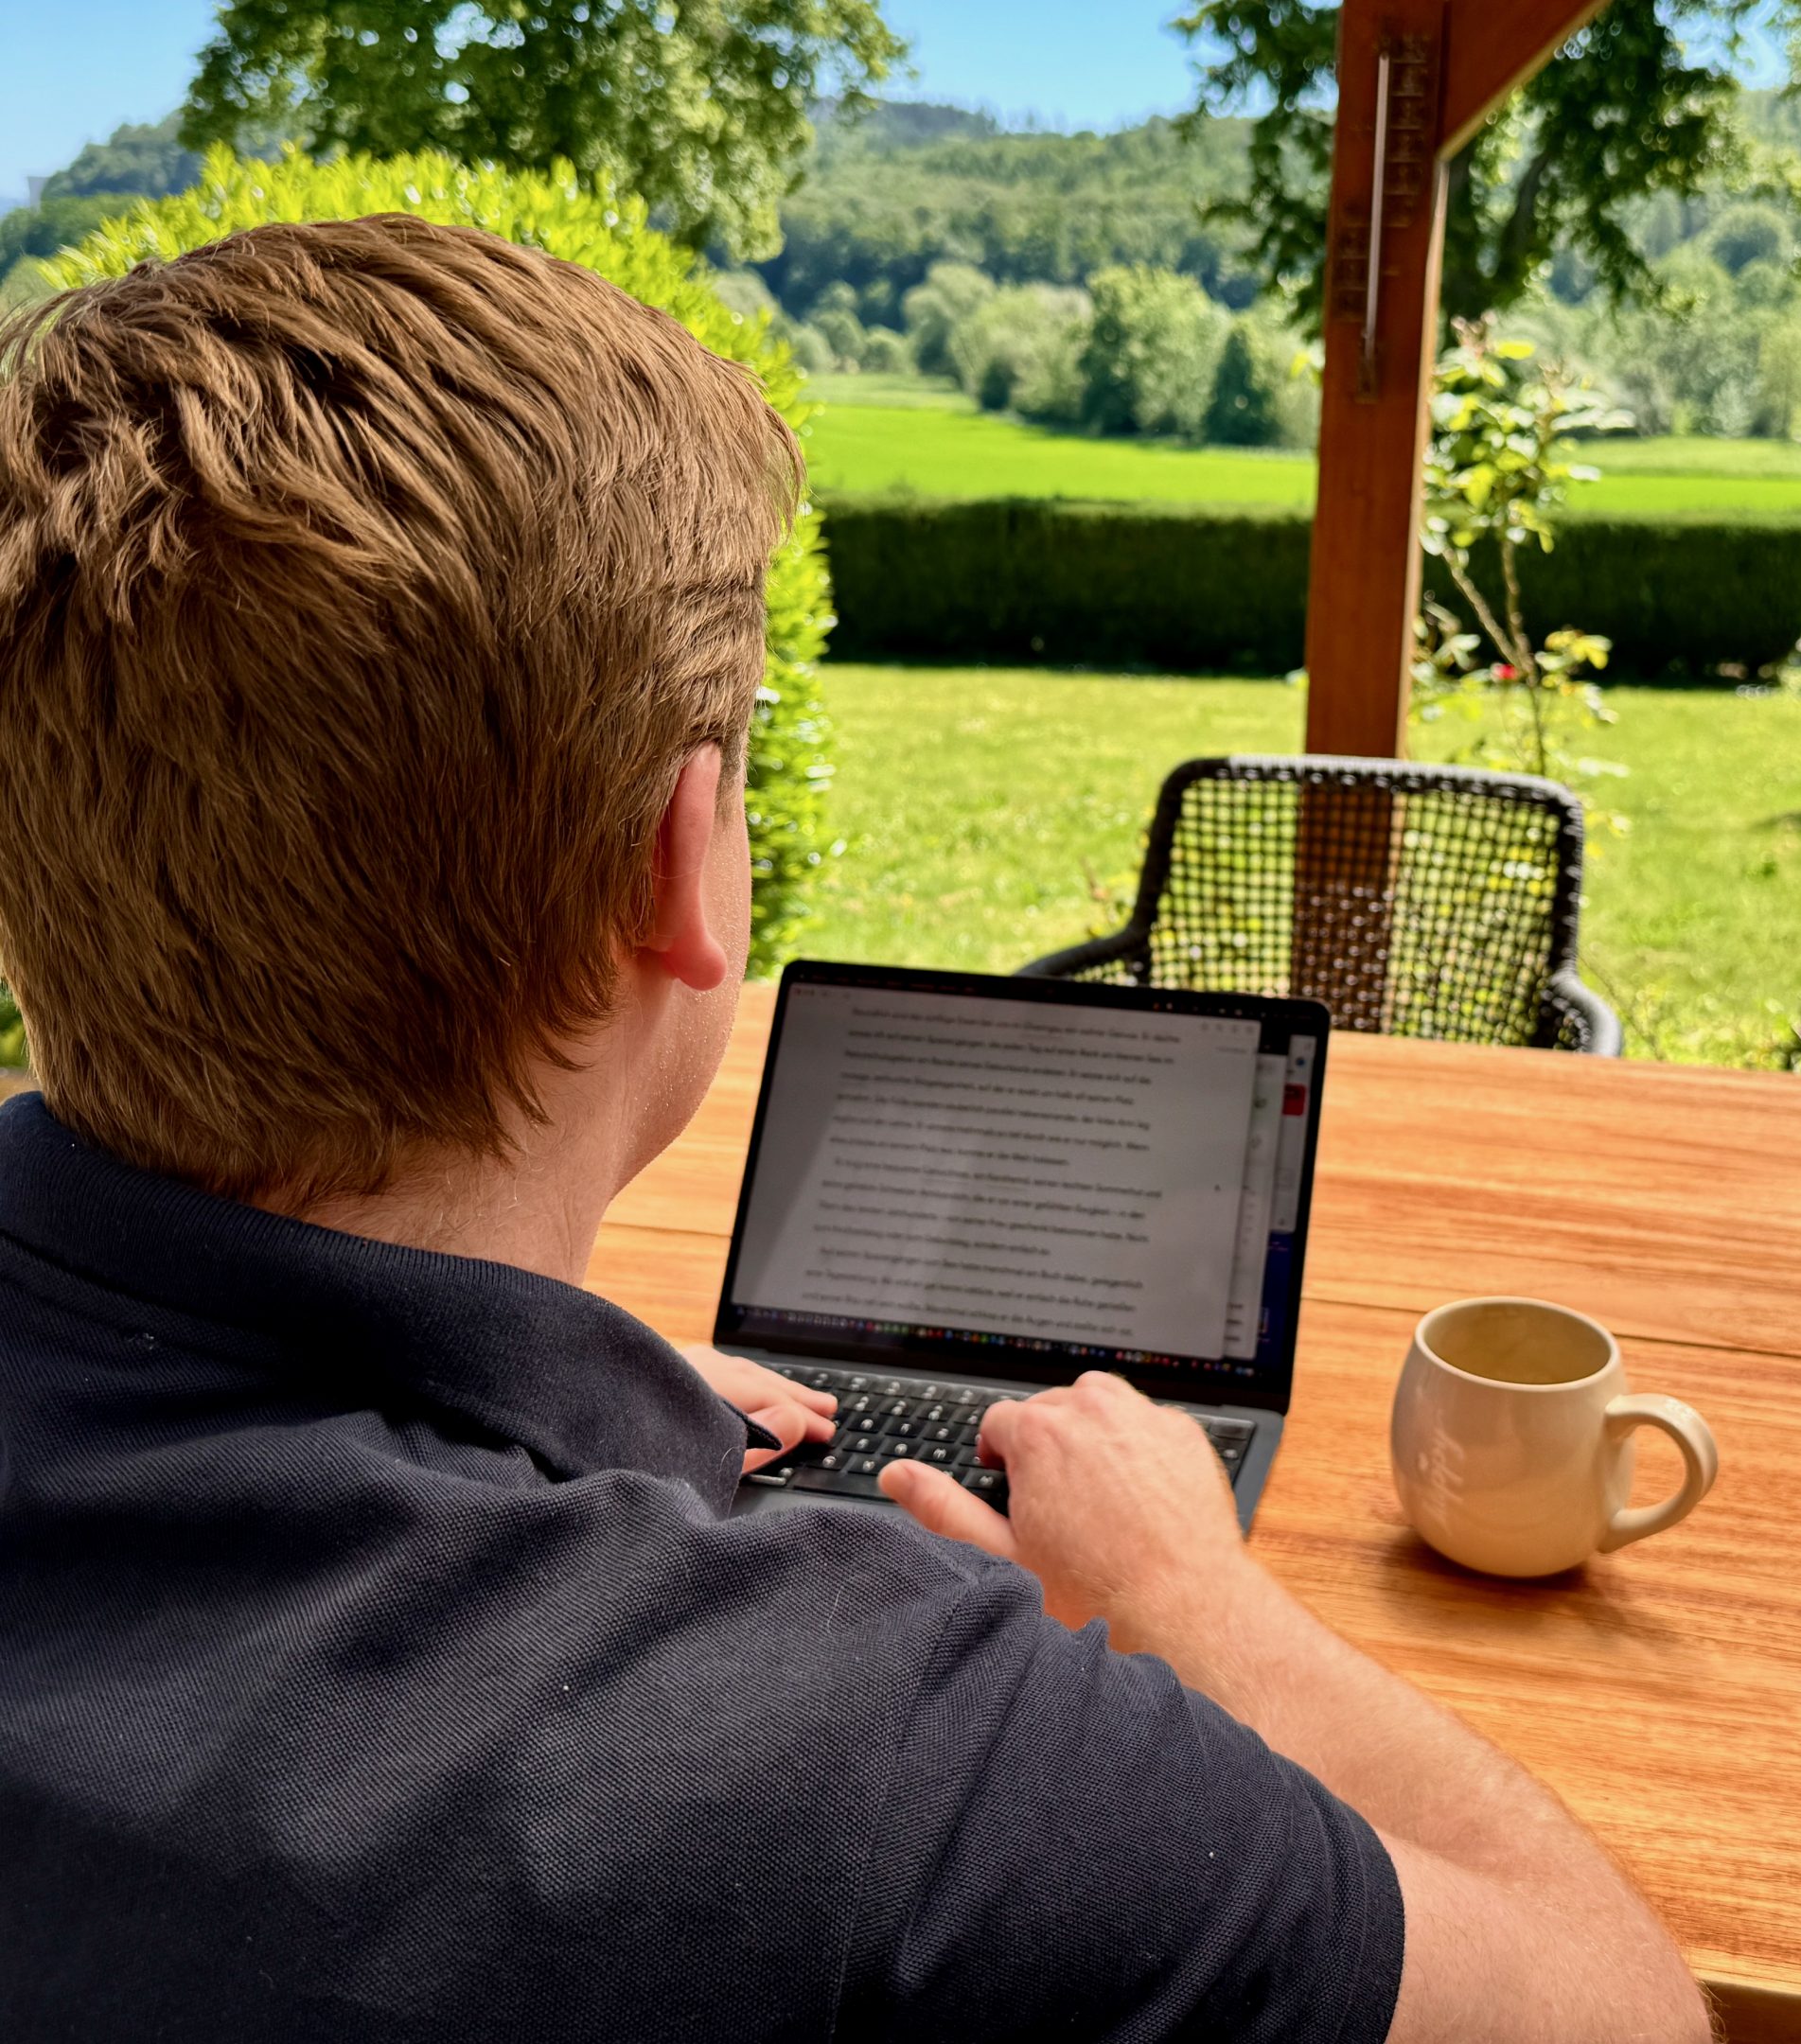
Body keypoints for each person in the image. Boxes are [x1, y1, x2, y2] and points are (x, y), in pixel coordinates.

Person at [0, 217, 1706, 2043]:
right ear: (683, 859)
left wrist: (527, 1397)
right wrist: (1189, 1602)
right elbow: (1619, 2012)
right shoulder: (893, 1752)